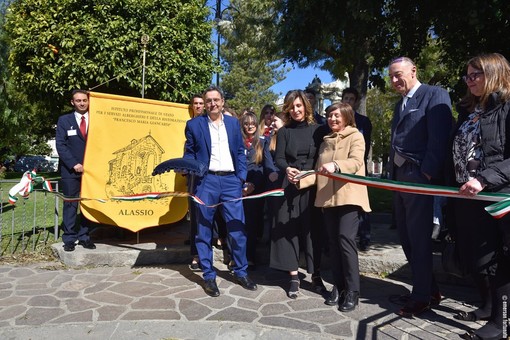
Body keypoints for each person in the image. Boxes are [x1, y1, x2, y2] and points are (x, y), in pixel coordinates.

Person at [449, 53, 510, 340]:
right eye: (467, 75)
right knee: (480, 258)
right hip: (468, 195)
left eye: (476, 75)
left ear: (495, 74)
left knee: (501, 259)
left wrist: (485, 179)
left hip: (498, 197)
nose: (469, 80)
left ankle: (502, 324)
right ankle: (487, 308)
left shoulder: (507, 108)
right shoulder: (470, 110)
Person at [388, 57, 452, 317]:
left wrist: (426, 173)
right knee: (406, 238)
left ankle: (421, 297)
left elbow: (439, 138)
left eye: (398, 75)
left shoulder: (434, 94)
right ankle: (429, 289)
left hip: (418, 179)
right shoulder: (400, 104)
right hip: (399, 179)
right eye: (391, 77)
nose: (394, 81)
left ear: (414, 71)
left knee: (419, 239)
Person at [183, 85, 257, 297]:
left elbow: (240, 153)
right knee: (204, 230)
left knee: (237, 229)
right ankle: (208, 276)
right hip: (206, 182)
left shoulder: (234, 124)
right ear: (204, 104)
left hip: (231, 181)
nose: (213, 104)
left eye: (216, 100)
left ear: (223, 102)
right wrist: (188, 168)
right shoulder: (194, 125)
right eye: (209, 101)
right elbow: (189, 154)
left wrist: (241, 178)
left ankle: (241, 271)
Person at [311, 102, 371, 312]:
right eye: (329, 116)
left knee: (346, 241)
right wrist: (298, 179)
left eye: (336, 115)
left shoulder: (356, 136)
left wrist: (336, 165)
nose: (332, 119)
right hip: (328, 198)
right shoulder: (325, 141)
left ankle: (353, 290)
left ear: (347, 116)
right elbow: (319, 171)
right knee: (333, 244)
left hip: (349, 197)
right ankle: (339, 287)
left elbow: (356, 162)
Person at [271, 89, 328, 299]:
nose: (295, 110)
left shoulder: (318, 130)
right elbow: (279, 158)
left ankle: (316, 275)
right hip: (291, 186)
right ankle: (293, 276)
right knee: (289, 230)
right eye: (291, 107)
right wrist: (287, 168)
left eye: (298, 106)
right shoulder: (284, 131)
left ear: (305, 106)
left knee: (313, 231)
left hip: (312, 187)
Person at [55, 89, 96, 252]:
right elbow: (61, 145)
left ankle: (85, 236)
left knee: (88, 204)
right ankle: (70, 238)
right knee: (71, 205)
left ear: (88, 101)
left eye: (84, 100)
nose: (82, 103)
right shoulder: (64, 120)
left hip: (92, 172)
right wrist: (74, 164)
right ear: (72, 102)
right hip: (70, 171)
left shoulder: (96, 120)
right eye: (78, 100)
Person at [239, 112, 278, 268]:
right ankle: (236, 257)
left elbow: (262, 166)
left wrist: (252, 185)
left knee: (252, 224)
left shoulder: (262, 142)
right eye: (247, 123)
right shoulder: (236, 142)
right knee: (236, 223)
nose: (250, 126)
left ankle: (249, 256)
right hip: (238, 187)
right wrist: (241, 185)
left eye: (253, 124)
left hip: (255, 188)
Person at [342, 87, 373, 251]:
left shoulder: (363, 121)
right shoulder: (337, 119)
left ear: (356, 101)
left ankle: (364, 237)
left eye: (351, 99)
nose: (348, 101)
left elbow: (365, 147)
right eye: (345, 98)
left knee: (361, 203)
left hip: (358, 167)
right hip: (340, 167)